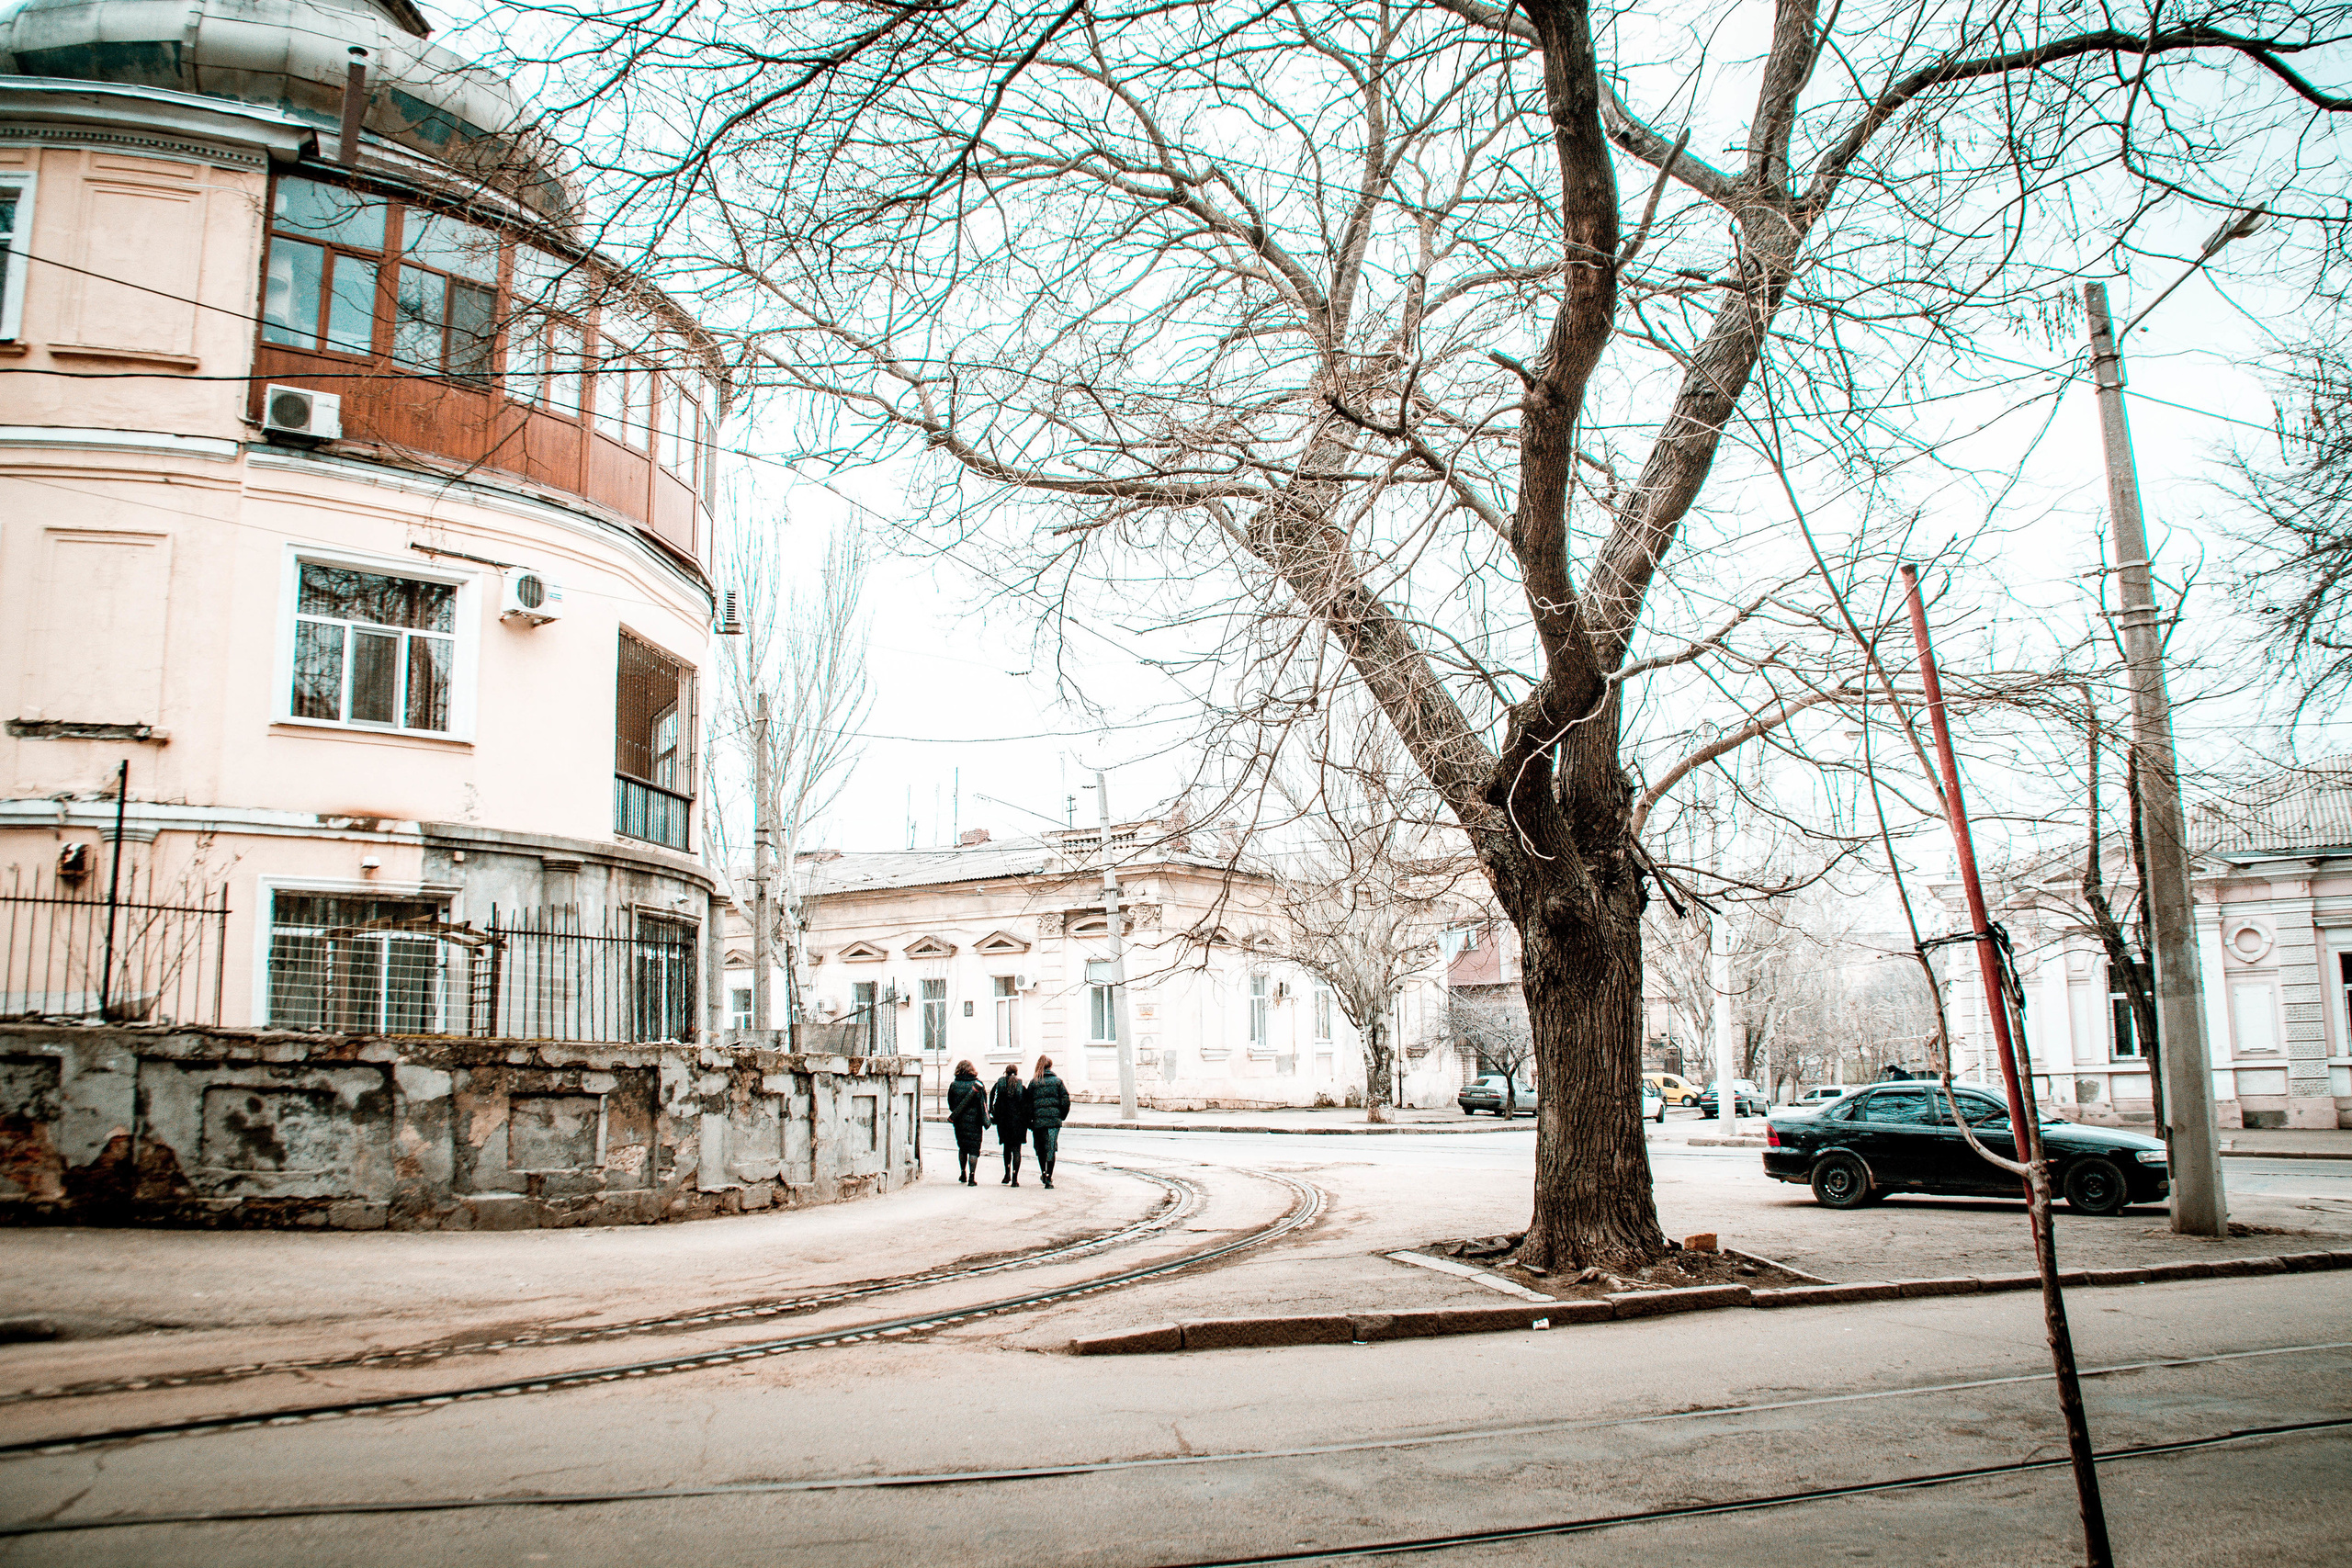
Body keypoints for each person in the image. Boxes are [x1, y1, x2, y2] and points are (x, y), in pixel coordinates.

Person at [1028, 1056, 1070, 1190]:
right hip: (1053, 1121)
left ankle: (1043, 1173)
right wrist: (1061, 1116)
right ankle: (1049, 1178)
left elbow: (1027, 1104)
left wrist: (1030, 1120)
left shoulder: (1034, 1083)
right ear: (1050, 1066)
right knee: (1051, 1148)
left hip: (1038, 1121)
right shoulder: (1058, 1082)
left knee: (1040, 1148)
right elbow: (1065, 1100)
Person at [944, 1060, 989, 1186]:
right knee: (974, 1149)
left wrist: (957, 1112)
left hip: (959, 1121)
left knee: (962, 1147)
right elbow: (983, 1103)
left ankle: (962, 1173)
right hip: (975, 1121)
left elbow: (951, 1103)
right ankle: (972, 1177)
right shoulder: (978, 1085)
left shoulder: (954, 1085)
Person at [989, 1062, 1030, 1186]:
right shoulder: (1021, 1087)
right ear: (1016, 1073)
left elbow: (991, 1100)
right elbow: (1027, 1106)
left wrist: (993, 1114)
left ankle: (1006, 1174)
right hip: (1018, 1123)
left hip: (1003, 1122)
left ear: (1005, 1073)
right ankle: (1015, 1178)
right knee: (1017, 1150)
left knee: (1007, 1148)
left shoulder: (999, 1085)